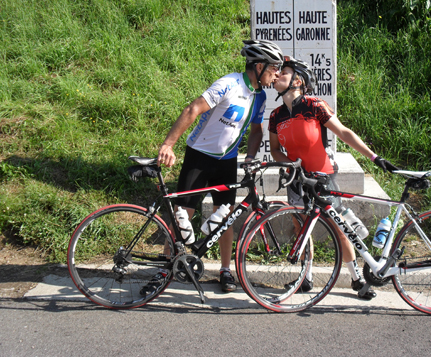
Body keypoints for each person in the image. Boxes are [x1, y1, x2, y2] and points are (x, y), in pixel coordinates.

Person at [145, 40, 283, 294]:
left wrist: (250, 156)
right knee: (182, 215)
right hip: (199, 156)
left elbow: (255, 130)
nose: (276, 74)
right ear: (260, 65)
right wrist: (168, 144)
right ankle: (165, 267)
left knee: (224, 218)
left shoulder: (260, 96)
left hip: (227, 161)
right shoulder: (229, 83)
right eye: (274, 68)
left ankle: (225, 269)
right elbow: (193, 108)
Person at [268, 57, 397, 300]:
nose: (276, 76)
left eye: (283, 72)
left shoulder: (315, 105)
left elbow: (344, 132)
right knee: (300, 227)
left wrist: (374, 157)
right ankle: (305, 278)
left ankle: (357, 278)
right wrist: (289, 164)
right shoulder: (276, 116)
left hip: (321, 177)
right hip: (296, 178)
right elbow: (275, 149)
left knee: (339, 229)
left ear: (297, 80)